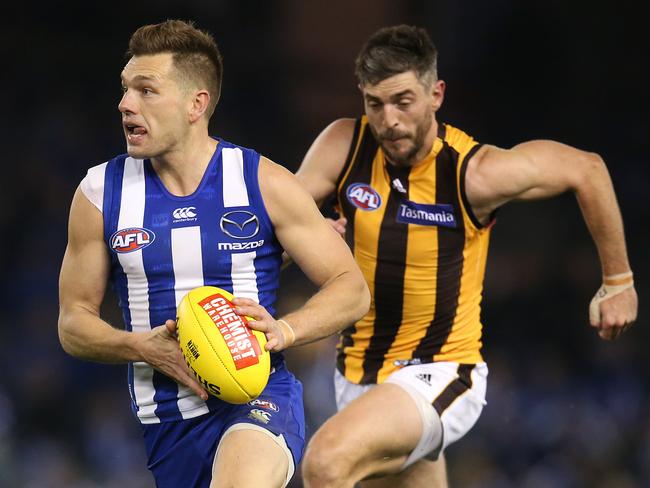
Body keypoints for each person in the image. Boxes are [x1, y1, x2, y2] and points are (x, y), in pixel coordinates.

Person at [296, 25, 638, 487]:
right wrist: (310, 234)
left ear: (436, 94)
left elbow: (587, 169)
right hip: (356, 377)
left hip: (439, 373)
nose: (389, 119)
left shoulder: (472, 172)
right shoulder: (344, 144)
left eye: (403, 101)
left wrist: (618, 282)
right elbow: (281, 223)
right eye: (375, 104)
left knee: (325, 462)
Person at [57, 20, 370, 488]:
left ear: (195, 104)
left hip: (259, 398)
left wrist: (285, 330)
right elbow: (72, 324)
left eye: (146, 90)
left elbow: (352, 289)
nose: (125, 104)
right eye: (125, 89)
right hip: (167, 424)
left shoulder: (264, 183)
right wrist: (139, 347)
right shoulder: (99, 194)